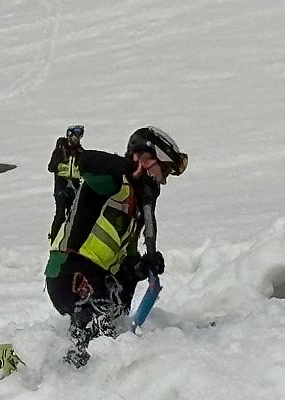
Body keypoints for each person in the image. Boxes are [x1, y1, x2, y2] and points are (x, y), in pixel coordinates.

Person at [44, 126, 187, 367]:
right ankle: (51, 375)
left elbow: (125, 259)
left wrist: (142, 267)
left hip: (97, 279)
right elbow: (86, 163)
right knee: (95, 339)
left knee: (103, 340)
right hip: (72, 273)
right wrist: (127, 167)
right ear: (144, 157)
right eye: (163, 170)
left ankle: (51, 365)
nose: (163, 179)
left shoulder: (135, 206)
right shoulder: (113, 181)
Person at [47, 124, 85, 241]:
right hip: (61, 185)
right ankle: (54, 238)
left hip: (74, 185)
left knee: (73, 214)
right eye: (75, 135)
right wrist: (63, 168)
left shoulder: (80, 151)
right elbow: (51, 166)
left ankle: (70, 239)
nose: (77, 138)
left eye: (80, 135)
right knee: (60, 213)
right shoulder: (60, 149)